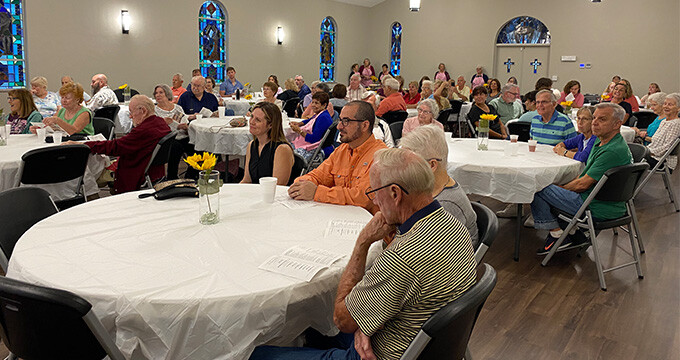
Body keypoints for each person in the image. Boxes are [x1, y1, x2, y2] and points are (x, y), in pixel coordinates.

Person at [256, 147, 476, 360]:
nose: (374, 201)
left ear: (395, 193)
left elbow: (342, 319)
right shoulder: (453, 225)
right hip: (420, 341)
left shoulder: (402, 258)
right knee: (312, 325)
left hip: (379, 354)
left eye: (374, 192)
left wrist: (363, 243)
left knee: (257, 353)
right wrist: (365, 324)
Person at [532, 103, 633, 254]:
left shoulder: (611, 150)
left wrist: (559, 189)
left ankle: (558, 234)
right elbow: (584, 175)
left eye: (602, 119)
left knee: (537, 186)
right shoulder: (602, 142)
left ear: (617, 124)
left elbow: (582, 184)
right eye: (594, 118)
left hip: (596, 207)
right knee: (551, 187)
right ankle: (571, 232)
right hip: (611, 204)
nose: (594, 122)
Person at [288, 101, 388, 214]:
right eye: (340, 120)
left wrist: (317, 192)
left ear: (365, 125)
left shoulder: (381, 156)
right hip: (338, 216)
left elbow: (363, 198)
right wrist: (302, 185)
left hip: (365, 223)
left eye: (346, 121)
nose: (339, 126)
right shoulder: (342, 150)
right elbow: (317, 176)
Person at [400, 125, 479, 244]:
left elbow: (418, 250)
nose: (404, 169)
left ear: (432, 165)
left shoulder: (445, 206)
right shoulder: (432, 187)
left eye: (410, 164)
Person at [79, 95, 171, 194]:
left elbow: (116, 147)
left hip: (135, 173)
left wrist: (86, 145)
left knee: (86, 173)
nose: (130, 116)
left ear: (143, 111)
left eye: (131, 112)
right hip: (154, 172)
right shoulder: (160, 122)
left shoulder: (144, 130)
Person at [242, 102, 298, 186]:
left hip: (275, 196)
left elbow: (277, 187)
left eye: (258, 120)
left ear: (270, 125)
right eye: (252, 117)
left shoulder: (282, 149)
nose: (251, 122)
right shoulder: (252, 145)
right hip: (256, 194)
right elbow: (247, 180)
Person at [153, 84, 188, 179]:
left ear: (167, 94)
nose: (158, 95)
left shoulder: (177, 108)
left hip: (183, 136)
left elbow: (184, 120)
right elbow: (158, 128)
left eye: (161, 92)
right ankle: (172, 177)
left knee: (196, 146)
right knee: (176, 146)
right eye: (156, 93)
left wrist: (183, 126)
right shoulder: (154, 111)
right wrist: (175, 125)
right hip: (168, 138)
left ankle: (192, 174)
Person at [290, 92, 333, 161]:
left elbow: (313, 139)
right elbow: (310, 120)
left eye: (316, 103)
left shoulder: (323, 118)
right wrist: (299, 124)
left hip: (316, 148)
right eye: (312, 102)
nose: (313, 105)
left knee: (286, 153)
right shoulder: (320, 114)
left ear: (324, 105)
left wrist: (299, 130)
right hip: (311, 144)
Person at [645, 93, 680, 170]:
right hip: (652, 155)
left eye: (670, 104)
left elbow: (667, 147)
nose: (666, 106)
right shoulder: (664, 121)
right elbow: (655, 142)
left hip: (662, 161)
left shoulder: (676, 124)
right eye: (665, 104)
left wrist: (646, 152)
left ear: (678, 108)